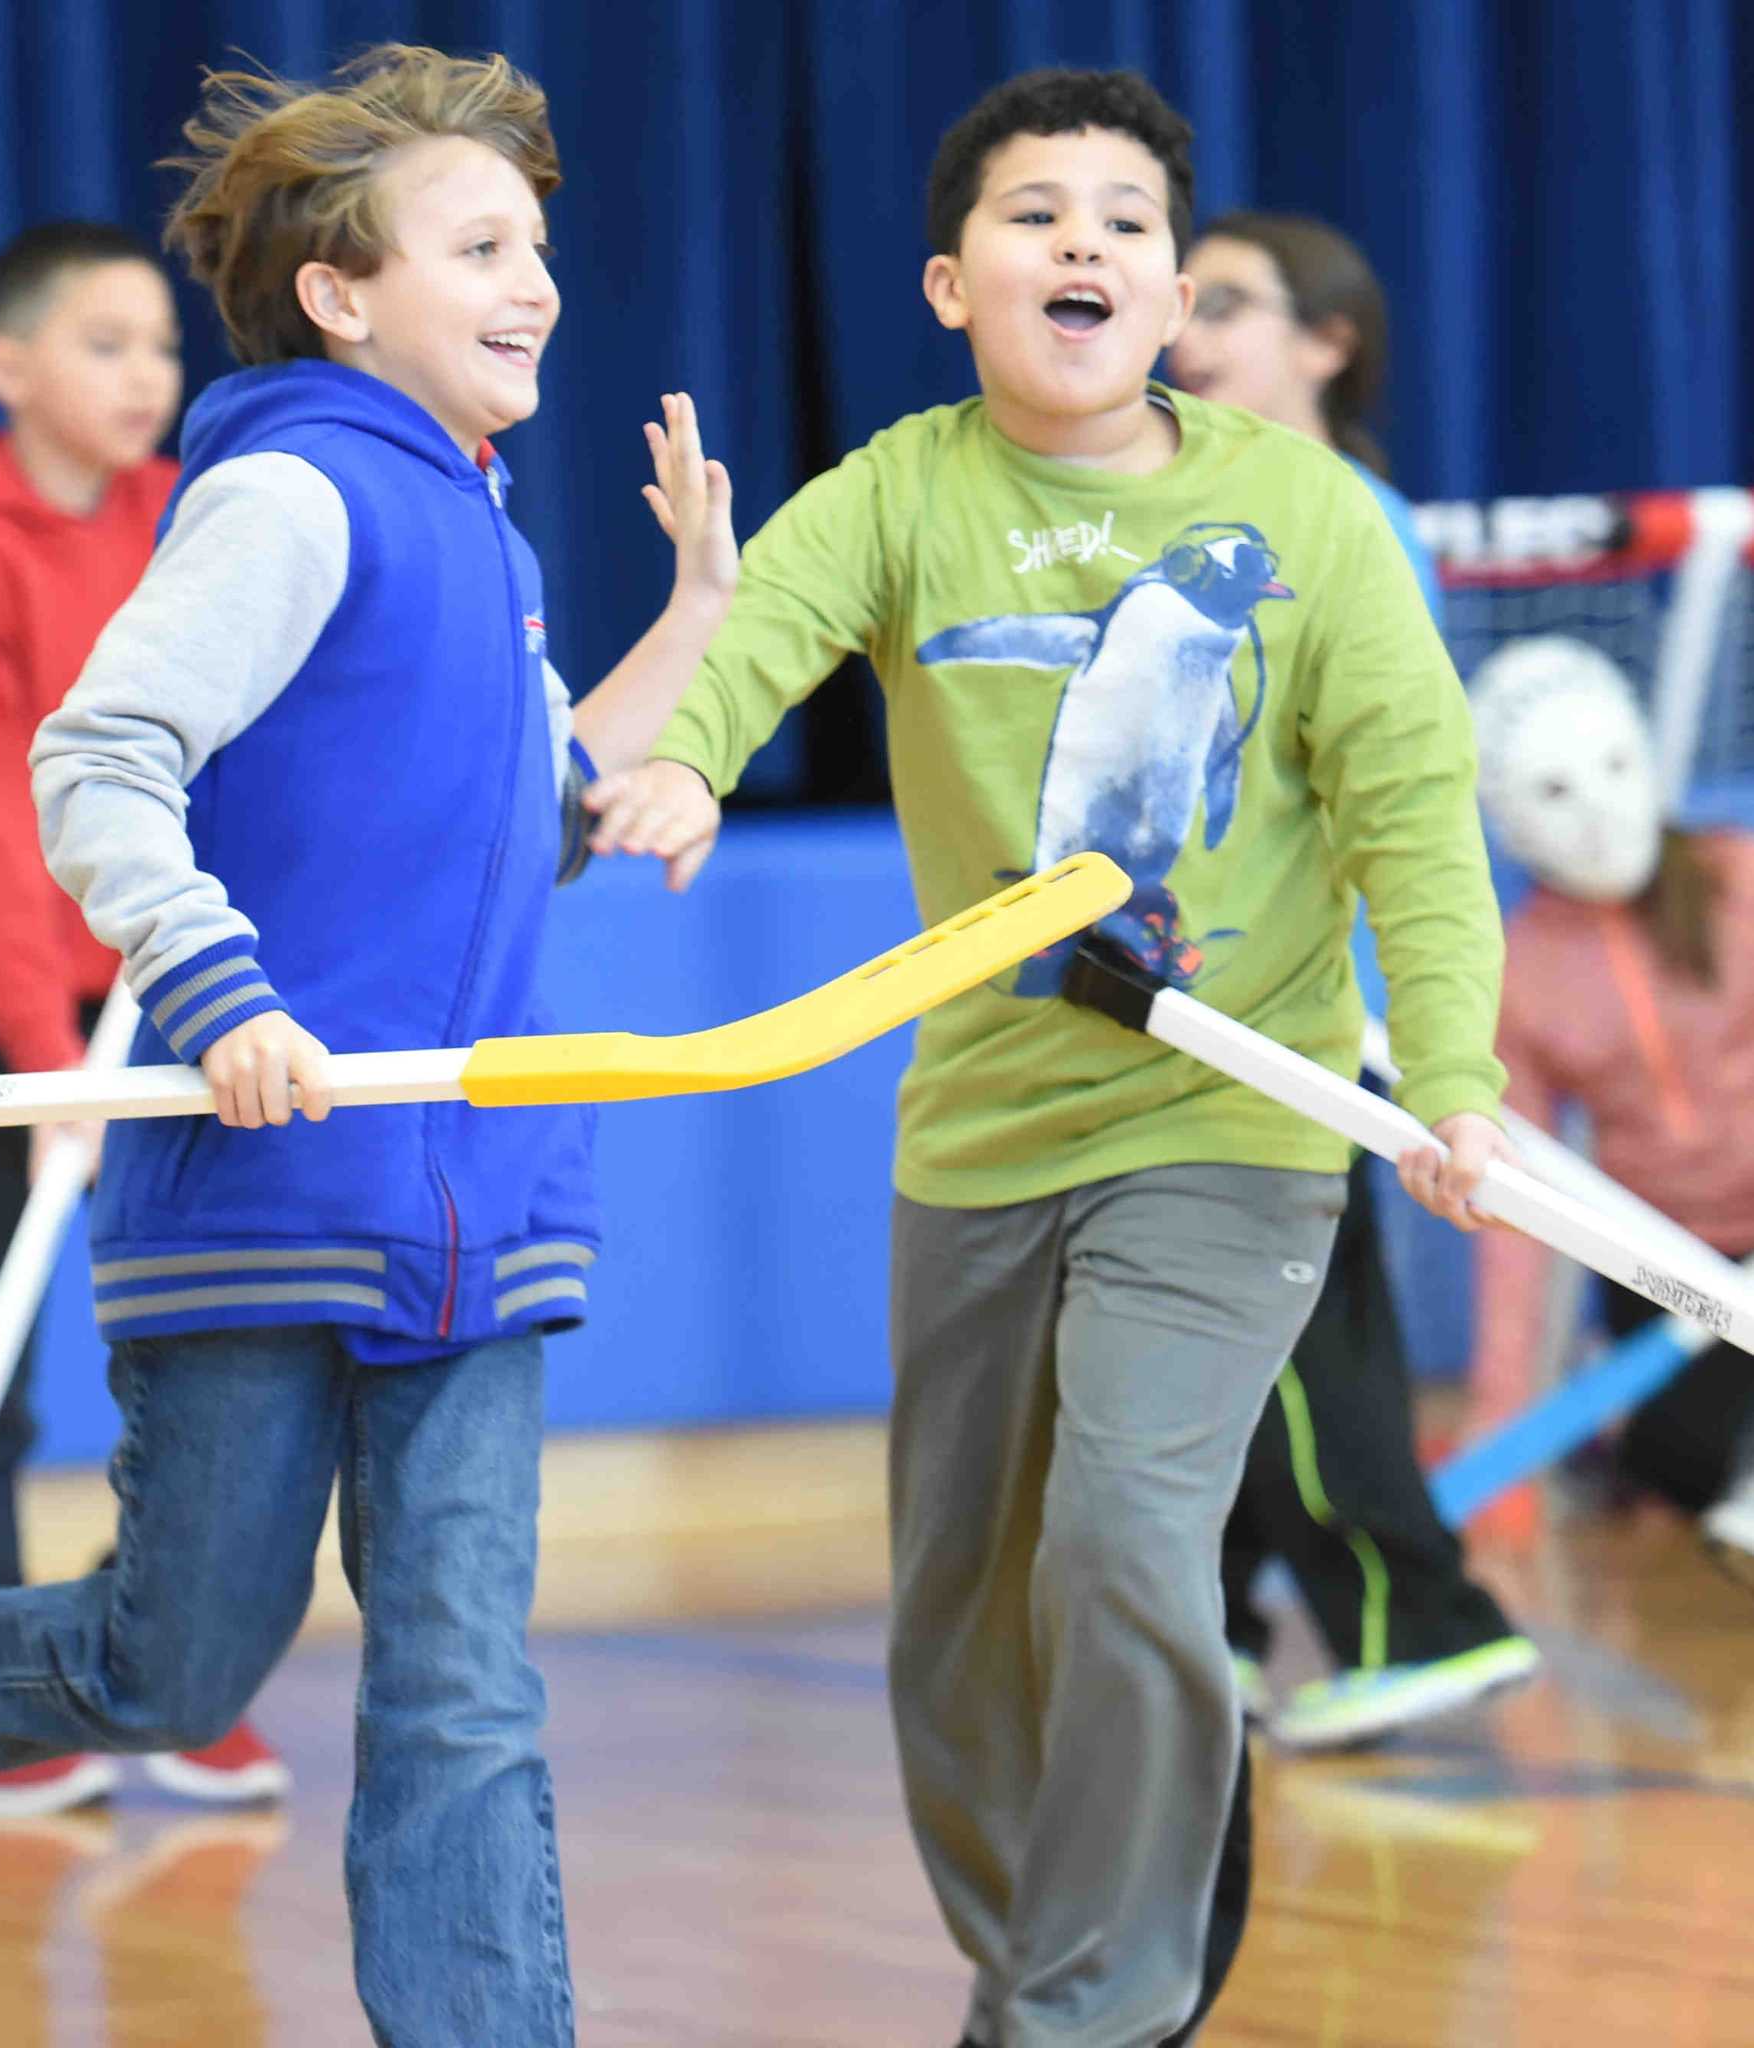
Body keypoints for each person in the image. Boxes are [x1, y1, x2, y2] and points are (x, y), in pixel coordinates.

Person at [0, 42, 738, 2046]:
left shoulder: (492, 539)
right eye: (481, 241)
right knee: (179, 1659)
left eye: (540, 242)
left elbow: (528, 806)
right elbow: (103, 754)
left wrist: (693, 637)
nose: (539, 279)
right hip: (270, 1186)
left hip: (478, 1206)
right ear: (340, 291)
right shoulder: (299, 491)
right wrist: (220, 988)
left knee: (462, 1685)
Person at [584, 66, 1513, 2048]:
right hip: (983, 1135)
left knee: (1124, 1533)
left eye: (1126, 219)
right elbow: (768, 628)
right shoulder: (906, 489)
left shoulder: (1308, 517)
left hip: (1231, 1119)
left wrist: (1451, 1072)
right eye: (1035, 215)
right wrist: (683, 757)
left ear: (1178, 296)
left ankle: (1087, 2004)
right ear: (947, 284)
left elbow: (1417, 809)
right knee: (958, 1633)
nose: (1083, 240)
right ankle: (1075, 1945)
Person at [0, 219, 287, 1815]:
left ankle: (156, 1664)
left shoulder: (189, 525)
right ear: (7, 369)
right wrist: (41, 1068)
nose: (148, 376)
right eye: (103, 345)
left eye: (162, 346)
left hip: (150, 983)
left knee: (208, 1336)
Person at [1170, 213, 1538, 1749]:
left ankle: (1409, 1621)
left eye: (1230, 305)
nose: (1189, 331)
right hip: (1202, 988)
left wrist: (1390, 1013)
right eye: (1182, 302)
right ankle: (1223, 1631)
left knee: (1298, 1323)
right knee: (1211, 1327)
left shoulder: (1346, 520)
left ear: (1327, 341)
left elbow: (1381, 790)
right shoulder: (1193, 505)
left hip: (1308, 999)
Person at [1464, 636, 1754, 1573]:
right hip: (1668, 1271)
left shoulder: (1737, 879)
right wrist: (1500, 1418)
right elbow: (1515, 1203)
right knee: (1684, 1474)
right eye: (1553, 792)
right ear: (1508, 818)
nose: (1596, 813)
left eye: (1615, 766)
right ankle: (1636, 1432)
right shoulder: (1518, 968)